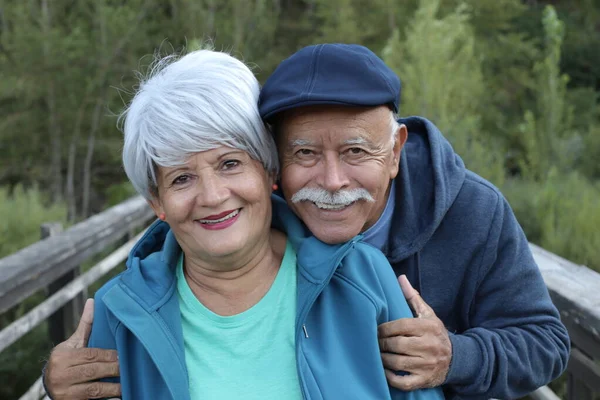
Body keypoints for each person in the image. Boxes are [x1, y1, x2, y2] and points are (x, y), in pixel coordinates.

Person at [45, 43, 570, 399]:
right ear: (275, 164)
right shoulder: (132, 302)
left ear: (395, 151)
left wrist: (457, 355)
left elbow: (546, 340)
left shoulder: (453, 223)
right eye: (304, 153)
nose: (333, 180)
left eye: (356, 150)